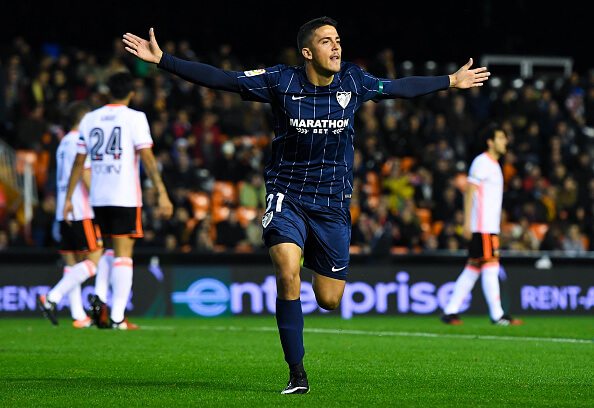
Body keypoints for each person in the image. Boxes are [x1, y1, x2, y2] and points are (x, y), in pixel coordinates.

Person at [122, 17, 489, 393]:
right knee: (287, 270)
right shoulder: (281, 80)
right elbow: (225, 79)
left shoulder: (353, 81)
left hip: (332, 204)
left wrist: (450, 81)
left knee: (329, 299)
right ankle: (297, 374)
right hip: (288, 195)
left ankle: (312, 291)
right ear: (307, 52)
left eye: (338, 40)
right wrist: (164, 59)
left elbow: (399, 88)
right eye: (326, 41)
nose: (336, 47)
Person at [42, 72, 173, 330]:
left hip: (97, 198)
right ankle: (117, 317)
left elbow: (80, 163)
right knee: (123, 254)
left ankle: (100, 300)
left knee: (104, 253)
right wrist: (161, 190)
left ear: (106, 92)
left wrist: (67, 199)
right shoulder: (135, 118)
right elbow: (146, 156)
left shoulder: (90, 119)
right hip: (123, 195)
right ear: (131, 93)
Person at [441, 123, 523, 326]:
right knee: (491, 267)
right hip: (482, 226)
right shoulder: (482, 162)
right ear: (490, 142)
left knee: (472, 268)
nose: (505, 142)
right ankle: (497, 315)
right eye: (501, 138)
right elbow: (470, 192)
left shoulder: (494, 164)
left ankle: (450, 311)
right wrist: (468, 222)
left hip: (489, 226)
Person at [37, 101, 101, 328]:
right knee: (95, 257)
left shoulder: (64, 142)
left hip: (63, 210)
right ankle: (52, 297)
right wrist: (101, 197)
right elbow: (83, 172)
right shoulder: (79, 141)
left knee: (72, 263)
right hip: (81, 209)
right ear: (83, 119)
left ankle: (78, 315)